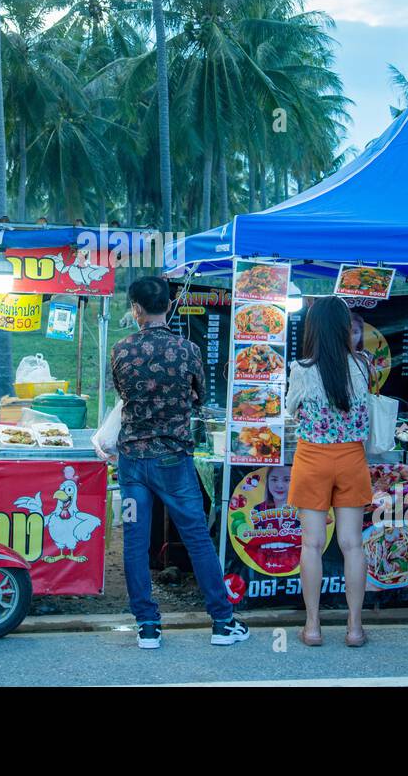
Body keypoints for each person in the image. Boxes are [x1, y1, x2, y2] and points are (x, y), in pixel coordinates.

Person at [110, 275, 249, 649]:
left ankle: (148, 627)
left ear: (136, 309)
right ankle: (222, 622)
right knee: (198, 538)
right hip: (175, 460)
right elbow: (201, 395)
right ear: (168, 306)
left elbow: (122, 394)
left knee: (135, 542)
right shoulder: (187, 350)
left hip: (132, 462)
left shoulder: (121, 350)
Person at [286, 297, 372, 648]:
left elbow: (292, 409)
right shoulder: (363, 365)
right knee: (352, 544)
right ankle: (354, 628)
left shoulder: (302, 368)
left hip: (312, 459)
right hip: (352, 458)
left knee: (312, 543)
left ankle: (312, 626)